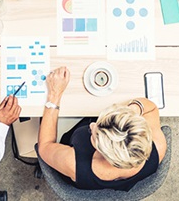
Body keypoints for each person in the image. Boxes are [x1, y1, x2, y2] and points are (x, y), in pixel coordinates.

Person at [37, 67, 167, 191]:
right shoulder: (158, 148)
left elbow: (45, 146)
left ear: (103, 152)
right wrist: (130, 111)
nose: (92, 125)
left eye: (95, 136)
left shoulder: (74, 164)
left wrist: (54, 95)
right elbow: (151, 108)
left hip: (70, 148)